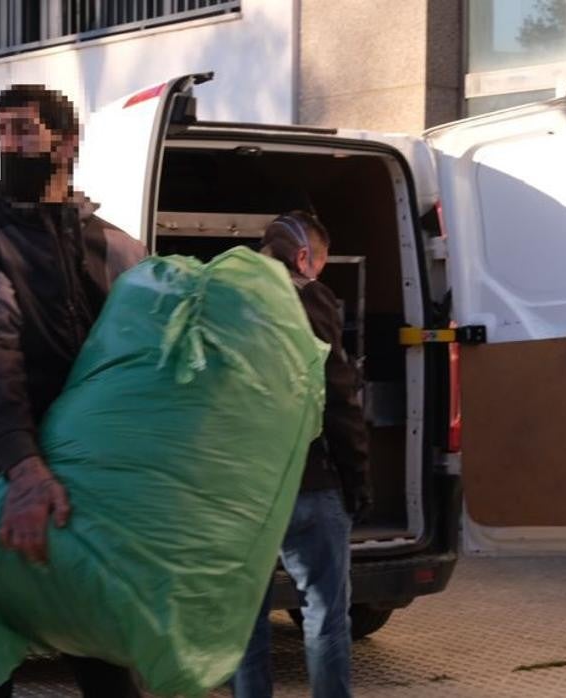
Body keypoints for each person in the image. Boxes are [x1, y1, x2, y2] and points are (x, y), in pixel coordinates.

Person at [0, 84, 147, 697]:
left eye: (23, 130)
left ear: (68, 141)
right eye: (0, 131)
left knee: (108, 664)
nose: (8, 144)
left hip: (80, 482)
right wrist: (23, 469)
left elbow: (144, 357)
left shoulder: (109, 244)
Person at [233, 211, 372, 698]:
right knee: (326, 615)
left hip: (245, 492)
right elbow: (337, 394)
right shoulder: (308, 298)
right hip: (309, 484)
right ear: (303, 257)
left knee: (247, 622)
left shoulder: (229, 295)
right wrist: (357, 479)